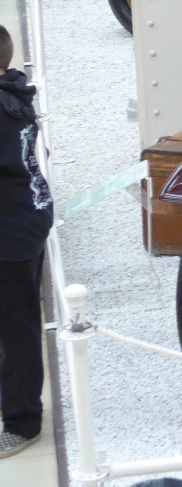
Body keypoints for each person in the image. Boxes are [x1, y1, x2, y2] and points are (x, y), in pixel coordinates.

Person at [0, 24, 52, 460]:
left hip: (11, 233)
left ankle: (22, 421)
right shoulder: (15, 95)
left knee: (16, 328)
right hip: (28, 218)